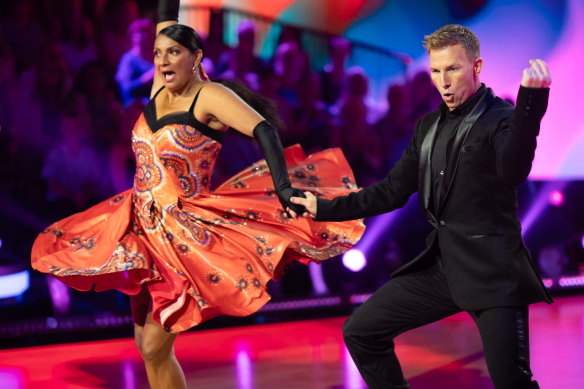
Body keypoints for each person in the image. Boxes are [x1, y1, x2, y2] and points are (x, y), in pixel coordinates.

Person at [31, 1, 364, 388]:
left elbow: (265, 130)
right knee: (146, 345)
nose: (163, 60)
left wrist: (285, 188)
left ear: (196, 58)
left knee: (155, 344)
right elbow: (165, 17)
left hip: (182, 232)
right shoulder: (160, 87)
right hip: (139, 225)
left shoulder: (210, 96)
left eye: (174, 52)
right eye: (158, 53)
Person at [291, 24, 552, 389]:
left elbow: (513, 171)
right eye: (435, 71)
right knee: (361, 331)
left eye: (453, 69)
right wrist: (322, 208)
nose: (443, 81)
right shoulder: (427, 127)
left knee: (511, 381)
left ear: (476, 67)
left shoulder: (501, 117)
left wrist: (530, 106)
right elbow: (391, 192)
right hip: (442, 268)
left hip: (493, 272)